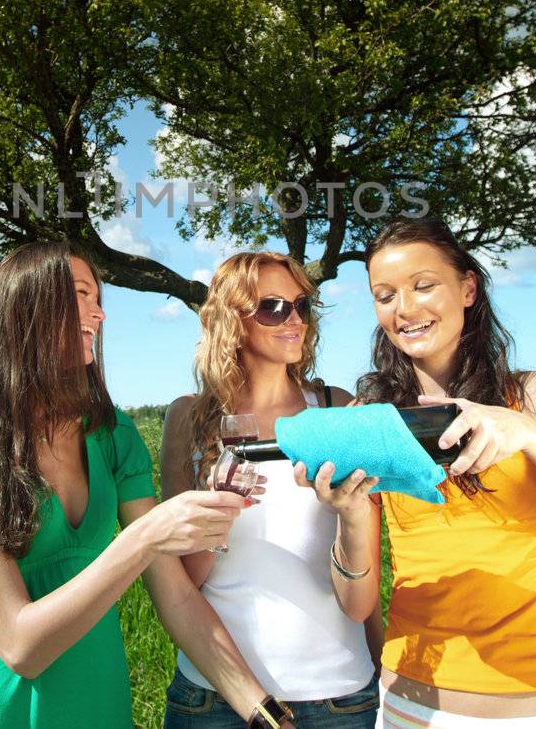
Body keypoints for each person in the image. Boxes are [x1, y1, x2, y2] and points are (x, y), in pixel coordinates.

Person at [301, 219, 536, 729]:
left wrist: (530, 434)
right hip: (413, 708)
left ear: (468, 288)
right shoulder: (375, 421)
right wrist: (348, 515)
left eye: (424, 285)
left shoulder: (533, 398)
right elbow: (357, 605)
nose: (405, 309)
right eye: (384, 295)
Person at [0, 242, 295, 728]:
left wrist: (263, 713)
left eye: (98, 299)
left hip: (102, 708)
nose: (99, 314)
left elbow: (176, 596)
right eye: (81, 295)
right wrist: (143, 537)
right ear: (26, 307)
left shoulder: (114, 434)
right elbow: (18, 646)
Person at [160, 251, 381, 729]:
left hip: (338, 699)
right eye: (273, 307)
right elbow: (182, 584)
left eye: (301, 305)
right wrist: (220, 511)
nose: (294, 319)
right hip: (212, 698)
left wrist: (385, 673)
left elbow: (363, 599)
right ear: (231, 321)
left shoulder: (335, 410)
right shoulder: (189, 419)